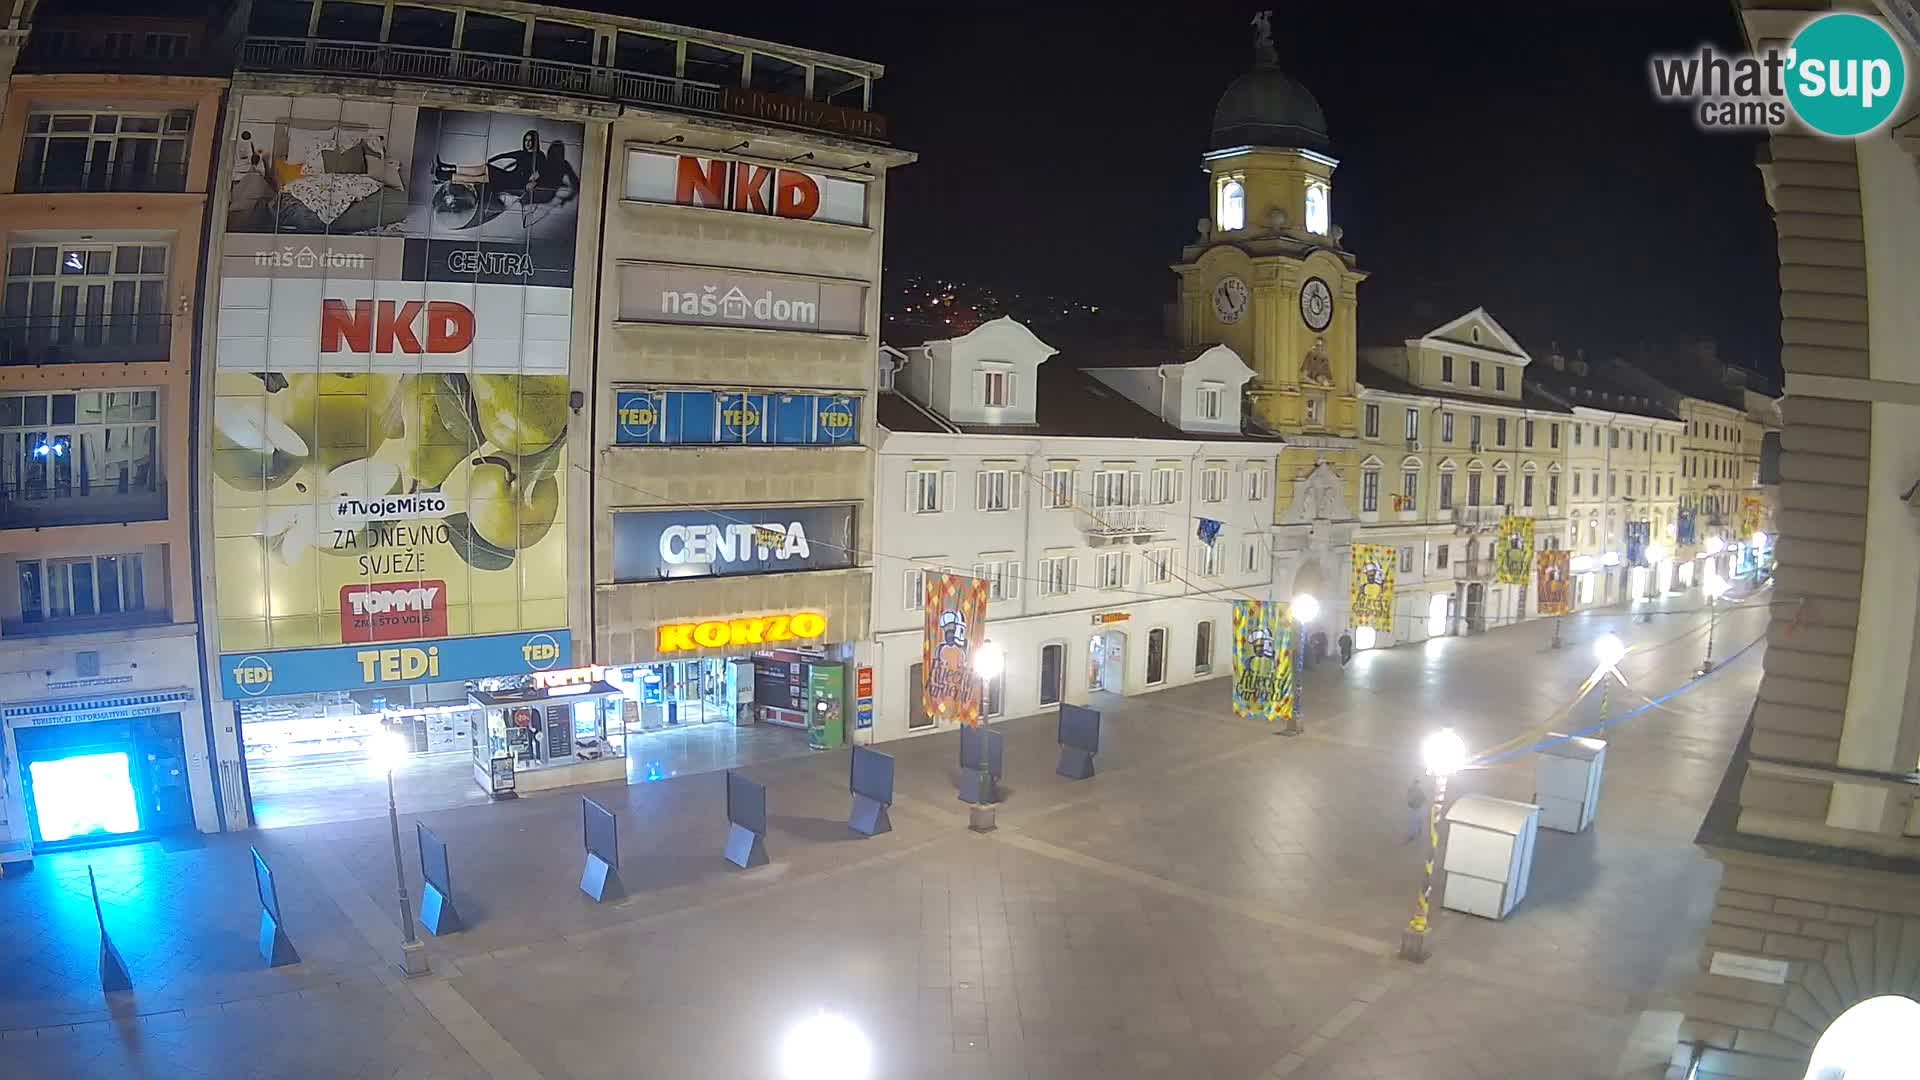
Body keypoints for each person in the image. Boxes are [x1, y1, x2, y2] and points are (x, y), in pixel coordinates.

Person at [1404, 775, 1430, 843]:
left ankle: (1412, 834)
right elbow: (1424, 799)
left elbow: (1408, 797)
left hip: (1413, 807)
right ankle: (1417, 831)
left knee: (1412, 821)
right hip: (1417, 807)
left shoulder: (1412, 789)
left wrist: (1410, 803)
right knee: (1416, 820)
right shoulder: (1419, 790)